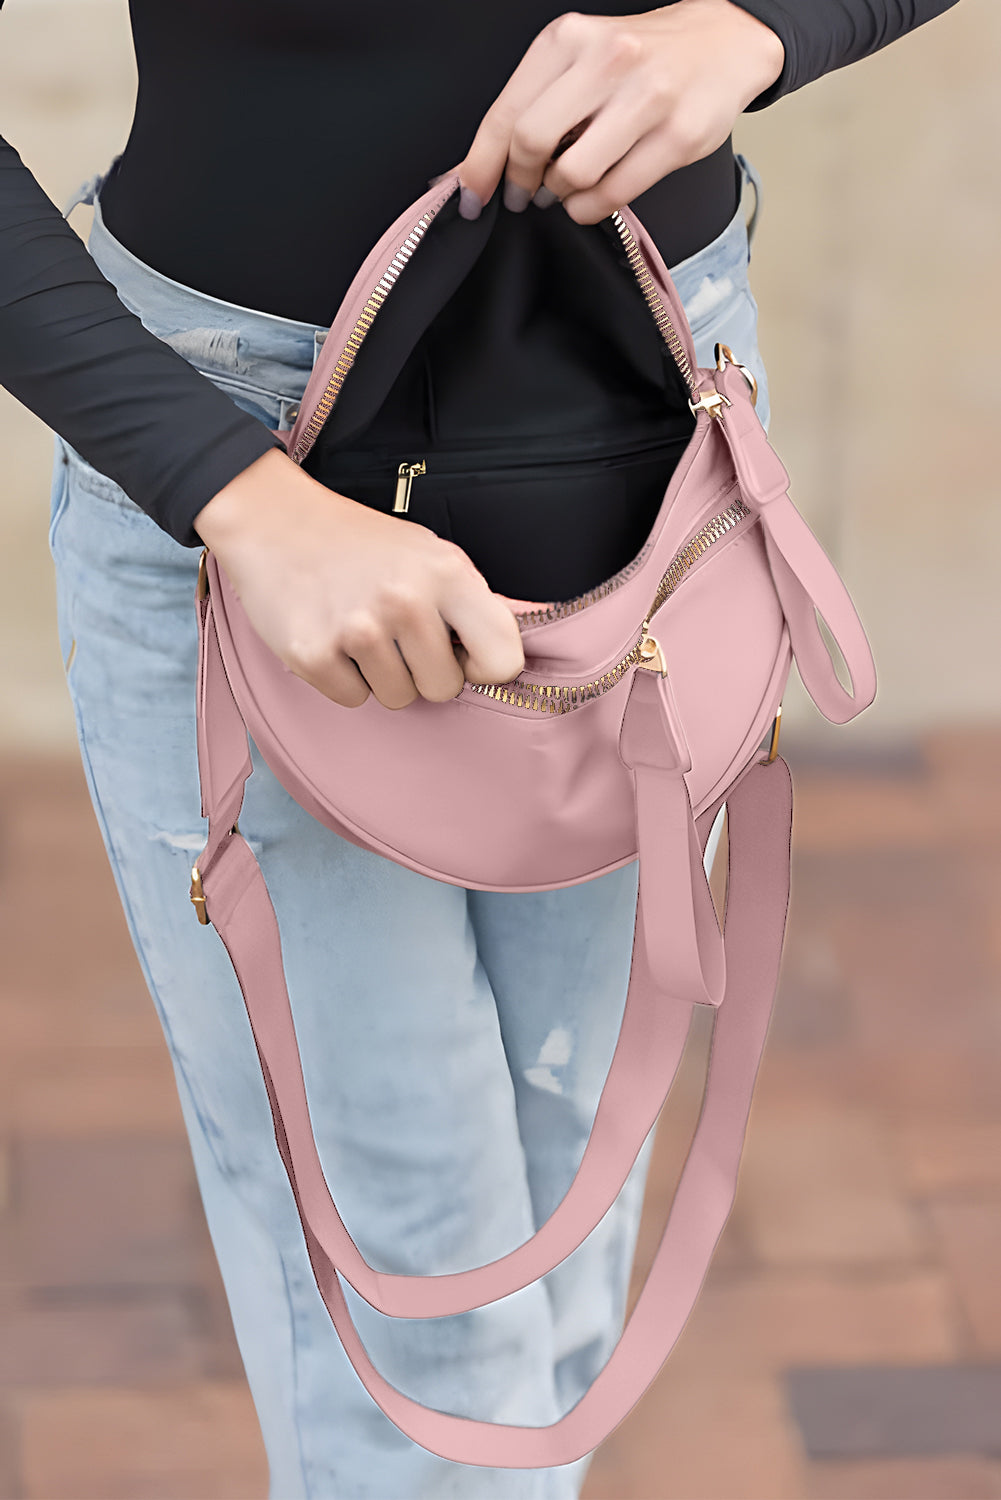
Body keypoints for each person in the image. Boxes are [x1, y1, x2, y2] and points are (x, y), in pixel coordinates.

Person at [0, 2, 958, 1495]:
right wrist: (230, 494)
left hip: (658, 436)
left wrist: (758, 26)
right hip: (247, 477)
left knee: (563, 1265)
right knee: (420, 1332)